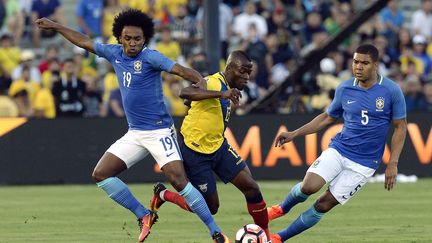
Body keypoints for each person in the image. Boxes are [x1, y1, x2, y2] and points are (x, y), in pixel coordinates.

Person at [35, 9, 228, 243]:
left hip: (159, 131)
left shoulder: (151, 57)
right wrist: (56, 25)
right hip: (135, 133)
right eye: (127, 38)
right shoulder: (114, 53)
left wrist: (199, 83)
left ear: (144, 38)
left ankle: (216, 232)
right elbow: (84, 41)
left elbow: (182, 70)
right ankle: (143, 214)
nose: (132, 43)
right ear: (120, 38)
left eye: (137, 38)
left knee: (179, 181)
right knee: (101, 175)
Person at [267, 44, 407, 243]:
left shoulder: (391, 90)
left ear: (375, 65)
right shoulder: (345, 88)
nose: (358, 67)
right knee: (309, 187)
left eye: (364, 63)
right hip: (340, 150)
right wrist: (294, 133)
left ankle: (279, 238)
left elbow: (400, 127)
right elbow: (326, 118)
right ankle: (281, 209)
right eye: (355, 61)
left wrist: (392, 163)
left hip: (364, 164)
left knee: (323, 204)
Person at [149, 50, 271, 238]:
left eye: (249, 72)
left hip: (218, 147)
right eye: (243, 71)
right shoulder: (214, 82)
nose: (247, 77)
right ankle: (163, 195)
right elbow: (185, 92)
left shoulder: (228, 89)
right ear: (229, 68)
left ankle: (266, 236)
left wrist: (203, 101)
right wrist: (221, 94)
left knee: (251, 187)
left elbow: (190, 101)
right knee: (210, 207)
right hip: (195, 152)